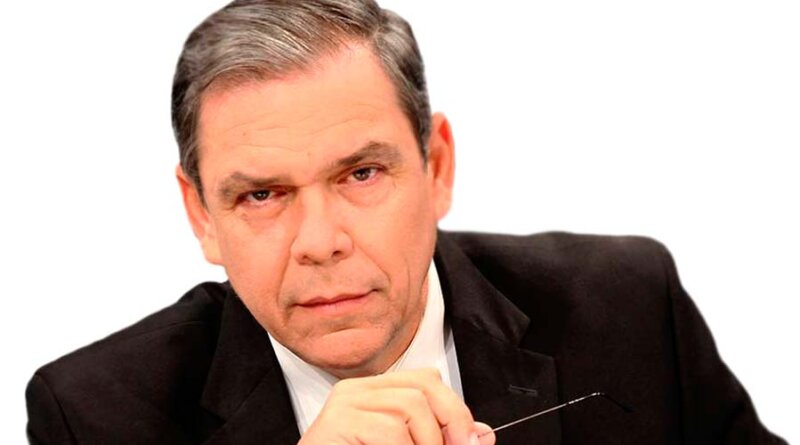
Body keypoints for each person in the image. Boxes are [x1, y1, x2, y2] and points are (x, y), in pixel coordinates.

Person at [25, 1, 787, 444]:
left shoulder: (628, 308)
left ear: (437, 166)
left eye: (361, 174)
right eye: (262, 195)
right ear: (202, 215)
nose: (320, 242)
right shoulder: (94, 417)